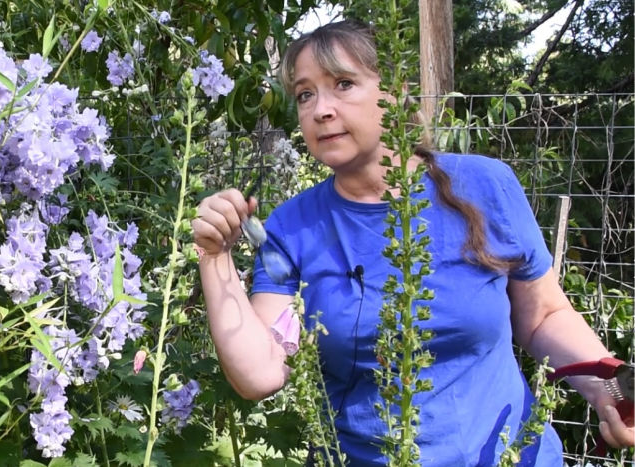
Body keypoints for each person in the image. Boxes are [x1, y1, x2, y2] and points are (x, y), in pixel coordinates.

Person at [191, 19, 634, 466]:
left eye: (343, 84)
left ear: (396, 92)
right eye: (305, 94)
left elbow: (542, 317)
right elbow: (261, 371)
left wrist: (608, 384)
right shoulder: (292, 228)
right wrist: (215, 256)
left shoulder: (484, 185)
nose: (320, 109)